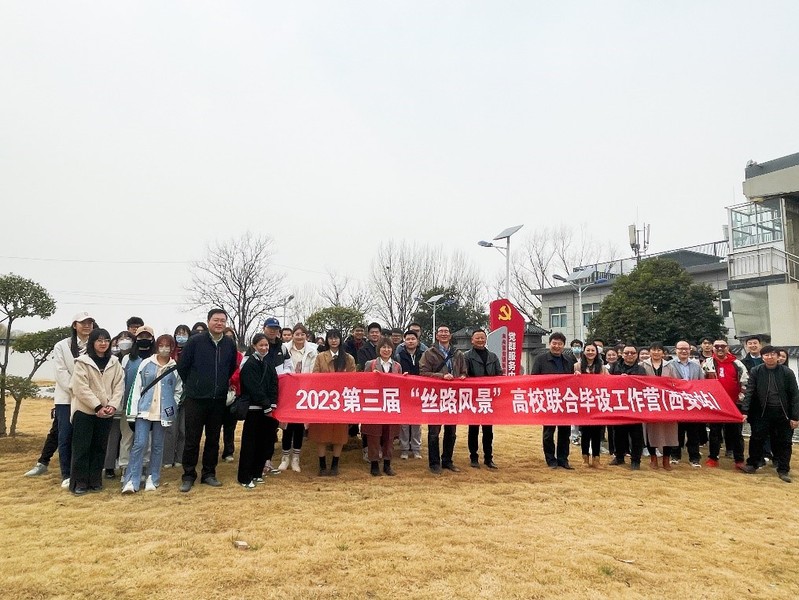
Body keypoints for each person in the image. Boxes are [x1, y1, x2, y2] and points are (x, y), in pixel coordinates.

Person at [24, 312, 96, 483]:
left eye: (90, 322)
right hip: (66, 397)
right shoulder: (62, 346)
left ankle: (82, 471)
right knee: (65, 435)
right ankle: (67, 474)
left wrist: (88, 395)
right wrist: (77, 390)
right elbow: (61, 372)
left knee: (85, 436)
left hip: (89, 398)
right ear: (74, 325)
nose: (87, 326)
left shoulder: (96, 344)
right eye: (82, 323)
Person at [177, 309, 238, 492]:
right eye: (216, 320)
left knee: (213, 439)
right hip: (195, 399)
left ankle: (209, 473)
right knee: (192, 439)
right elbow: (183, 366)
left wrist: (219, 385)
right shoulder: (195, 341)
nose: (219, 323)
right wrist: (194, 384)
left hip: (217, 400)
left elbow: (231, 367)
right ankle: (188, 475)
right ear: (208, 321)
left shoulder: (229, 344)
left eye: (222, 321)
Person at [123, 334, 182, 493]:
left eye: (167, 346)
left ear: (172, 348)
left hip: (162, 413)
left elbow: (178, 390)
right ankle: (131, 479)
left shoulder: (175, 367)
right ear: (157, 346)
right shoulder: (146, 363)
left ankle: (152, 477)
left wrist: (172, 406)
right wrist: (132, 411)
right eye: (161, 345)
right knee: (140, 444)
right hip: (144, 410)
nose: (164, 349)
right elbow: (137, 387)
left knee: (157, 446)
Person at [68, 328, 124, 495]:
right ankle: (79, 482)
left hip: (106, 412)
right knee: (82, 448)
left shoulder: (114, 362)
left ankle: (95, 480)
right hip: (84, 411)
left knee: (99, 448)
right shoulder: (82, 362)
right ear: (92, 342)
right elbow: (80, 388)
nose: (103, 343)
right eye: (99, 340)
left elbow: (119, 386)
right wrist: (97, 406)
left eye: (106, 340)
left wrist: (112, 406)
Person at [741, 345, 799, 483]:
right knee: (756, 438)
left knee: (785, 442)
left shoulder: (787, 372)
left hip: (783, 413)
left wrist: (795, 417)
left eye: (772, 354)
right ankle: (752, 464)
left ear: (778, 356)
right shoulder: (756, 371)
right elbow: (750, 391)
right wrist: (745, 411)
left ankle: (783, 469)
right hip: (762, 412)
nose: (770, 357)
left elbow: (795, 395)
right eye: (766, 355)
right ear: (762, 357)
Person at [420, 325, 466, 474]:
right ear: (436, 336)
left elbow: (464, 371)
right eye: (441, 332)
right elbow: (423, 372)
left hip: (453, 397)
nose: (444, 334)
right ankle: (434, 463)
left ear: (450, 335)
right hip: (435, 396)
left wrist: (463, 376)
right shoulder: (429, 353)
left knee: (451, 431)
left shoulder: (458, 354)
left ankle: (447, 461)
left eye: (446, 332)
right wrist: (441, 377)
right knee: (434, 431)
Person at [309, 330, 356, 476]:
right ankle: (322, 464)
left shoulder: (348, 358)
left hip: (341, 400)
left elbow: (353, 379)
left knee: (339, 434)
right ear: (327, 340)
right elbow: (315, 376)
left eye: (336, 338)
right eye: (331, 338)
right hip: (324, 400)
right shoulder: (321, 357)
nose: (334, 341)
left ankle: (335, 464)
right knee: (321, 434)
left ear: (340, 340)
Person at [237, 333, 279, 488]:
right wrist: (266, 404)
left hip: (267, 410)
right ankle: (244, 477)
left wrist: (272, 403)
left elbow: (274, 383)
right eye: (261, 345)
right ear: (254, 346)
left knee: (264, 441)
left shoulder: (268, 362)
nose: (264, 348)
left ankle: (257, 472)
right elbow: (253, 387)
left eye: (266, 345)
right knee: (250, 443)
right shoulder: (249, 364)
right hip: (253, 408)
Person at [531, 332, 576, 470]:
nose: (557, 346)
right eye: (554, 343)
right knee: (548, 433)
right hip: (548, 400)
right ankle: (550, 459)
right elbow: (534, 379)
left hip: (565, 400)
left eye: (560, 344)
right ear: (549, 344)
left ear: (563, 345)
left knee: (565, 432)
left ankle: (563, 459)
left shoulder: (569, 360)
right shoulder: (540, 359)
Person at [701, 339, 748, 470]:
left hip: (734, 404)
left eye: (723, 346)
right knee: (714, 432)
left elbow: (745, 382)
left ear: (727, 348)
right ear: (713, 348)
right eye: (717, 346)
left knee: (736, 433)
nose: (720, 349)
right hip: (715, 404)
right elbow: (701, 382)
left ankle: (739, 459)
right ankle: (713, 457)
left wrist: (741, 399)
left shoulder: (737, 363)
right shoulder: (707, 363)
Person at [278, 323, 318, 472]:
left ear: (306, 336)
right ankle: (285, 457)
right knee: (287, 425)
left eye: (302, 334)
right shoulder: (284, 348)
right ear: (292, 335)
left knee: (299, 425)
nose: (299, 337)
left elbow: (314, 371)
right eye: (297, 334)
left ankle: (296, 458)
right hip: (288, 391)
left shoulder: (313, 350)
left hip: (305, 392)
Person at [118, 325, 156, 482]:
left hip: (150, 406)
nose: (144, 339)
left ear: (152, 339)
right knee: (127, 438)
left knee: (146, 439)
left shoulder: (156, 358)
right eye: (141, 336)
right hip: (128, 405)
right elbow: (121, 382)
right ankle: (125, 467)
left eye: (147, 336)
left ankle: (144, 466)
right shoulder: (128, 358)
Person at [363, 338, 402, 476]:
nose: (386, 350)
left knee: (389, 435)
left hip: (390, 404)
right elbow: (363, 382)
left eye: (389, 347)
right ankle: (374, 463)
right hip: (374, 403)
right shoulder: (371, 364)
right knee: (374, 434)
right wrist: (371, 377)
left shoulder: (397, 366)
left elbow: (400, 385)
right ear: (378, 349)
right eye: (383, 347)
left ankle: (387, 464)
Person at [464, 329, 502, 469]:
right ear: (472, 340)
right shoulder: (466, 356)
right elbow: (464, 374)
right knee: (473, 429)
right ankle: (473, 457)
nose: (480, 340)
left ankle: (488, 458)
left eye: (482, 338)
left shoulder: (493, 356)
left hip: (488, 398)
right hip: (474, 397)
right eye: (477, 338)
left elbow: (499, 374)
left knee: (488, 430)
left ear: (486, 340)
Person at [666, 341, 705, 468]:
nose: (684, 351)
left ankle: (694, 458)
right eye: (681, 348)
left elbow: (702, 383)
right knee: (677, 431)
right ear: (675, 350)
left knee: (693, 432)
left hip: (692, 403)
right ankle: (675, 455)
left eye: (686, 349)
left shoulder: (696, 366)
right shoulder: (669, 365)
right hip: (676, 403)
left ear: (690, 350)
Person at [103, 330, 136, 478]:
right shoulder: (111, 359)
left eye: (127, 338)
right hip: (112, 403)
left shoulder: (136, 359)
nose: (124, 341)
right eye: (121, 339)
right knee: (112, 436)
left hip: (129, 404)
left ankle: (125, 466)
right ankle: (109, 466)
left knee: (127, 437)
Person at [608, 345, 646, 470]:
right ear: (622, 354)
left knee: (636, 435)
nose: (630, 355)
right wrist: (619, 380)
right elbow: (607, 382)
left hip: (635, 406)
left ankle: (636, 460)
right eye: (627, 353)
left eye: (632, 353)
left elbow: (643, 385)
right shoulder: (614, 367)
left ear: (636, 355)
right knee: (618, 433)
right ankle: (619, 457)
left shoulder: (641, 369)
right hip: (619, 404)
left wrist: (630, 380)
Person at [641, 342, 678, 470]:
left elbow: (675, 383)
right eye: (653, 350)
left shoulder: (670, 366)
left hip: (666, 403)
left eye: (659, 350)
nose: (656, 352)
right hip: (649, 402)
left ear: (663, 353)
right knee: (650, 431)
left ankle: (666, 459)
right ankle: (653, 458)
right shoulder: (643, 365)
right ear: (649, 351)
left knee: (669, 431)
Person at [162, 324, 191, 469]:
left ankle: (180, 457)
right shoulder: (170, 353)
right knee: (170, 429)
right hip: (170, 395)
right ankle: (167, 458)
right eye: (178, 333)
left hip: (188, 395)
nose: (181, 336)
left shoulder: (191, 351)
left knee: (183, 429)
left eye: (184, 333)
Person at [574, 343, 604, 467]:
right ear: (584, 351)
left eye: (593, 350)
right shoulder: (577, 366)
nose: (590, 352)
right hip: (583, 403)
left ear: (597, 352)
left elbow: (609, 382)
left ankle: (596, 458)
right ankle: (585, 458)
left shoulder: (602, 367)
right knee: (585, 432)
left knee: (597, 432)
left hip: (598, 402)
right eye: (588, 350)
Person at [396, 329, 424, 459]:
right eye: (408, 339)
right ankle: (404, 449)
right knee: (404, 423)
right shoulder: (399, 355)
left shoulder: (423, 354)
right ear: (404, 341)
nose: (410, 341)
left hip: (419, 392)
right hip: (404, 392)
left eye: (413, 339)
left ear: (417, 341)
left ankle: (416, 448)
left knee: (416, 422)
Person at [221, 327, 243, 463]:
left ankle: (228, 451)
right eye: (226, 336)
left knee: (230, 426)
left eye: (231, 337)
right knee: (214, 425)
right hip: (217, 394)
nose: (229, 339)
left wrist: (229, 380)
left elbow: (240, 371)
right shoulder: (216, 352)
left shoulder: (238, 355)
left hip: (233, 393)